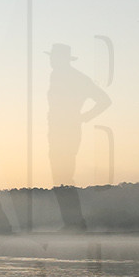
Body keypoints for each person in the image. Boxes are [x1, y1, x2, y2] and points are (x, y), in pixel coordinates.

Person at [46, 43, 111, 186]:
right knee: (58, 171)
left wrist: (84, 117)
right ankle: (64, 199)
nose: (51, 61)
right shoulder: (55, 75)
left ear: (62, 59)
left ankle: (67, 202)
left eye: (54, 58)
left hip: (68, 130)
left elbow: (105, 100)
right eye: (52, 58)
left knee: (64, 172)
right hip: (56, 130)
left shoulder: (79, 79)